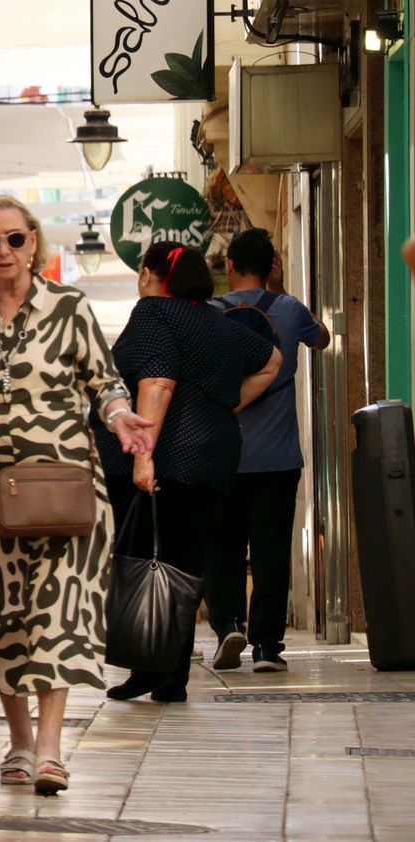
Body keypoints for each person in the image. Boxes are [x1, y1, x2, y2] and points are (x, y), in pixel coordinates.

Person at [0, 196, 155, 797]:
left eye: (15, 239)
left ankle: (52, 750)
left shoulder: (69, 308)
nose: (5, 251)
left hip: (64, 486)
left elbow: (102, 382)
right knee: (0, 617)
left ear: (35, 243)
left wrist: (119, 417)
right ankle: (20, 742)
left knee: (57, 615)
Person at [98, 242, 280, 705]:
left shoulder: (154, 313)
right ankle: (164, 672)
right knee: (182, 563)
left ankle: (154, 668)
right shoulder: (214, 320)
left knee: (147, 559)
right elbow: (272, 361)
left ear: (152, 274)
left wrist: (142, 455)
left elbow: (157, 381)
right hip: (213, 455)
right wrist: (223, 403)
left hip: (165, 456)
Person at [205, 229, 327, 672]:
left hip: (220, 454)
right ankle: (266, 647)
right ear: (272, 264)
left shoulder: (208, 314)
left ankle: (228, 626)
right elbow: (323, 340)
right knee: (272, 550)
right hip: (277, 458)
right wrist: (279, 293)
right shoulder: (289, 310)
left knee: (223, 547)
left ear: (229, 266)